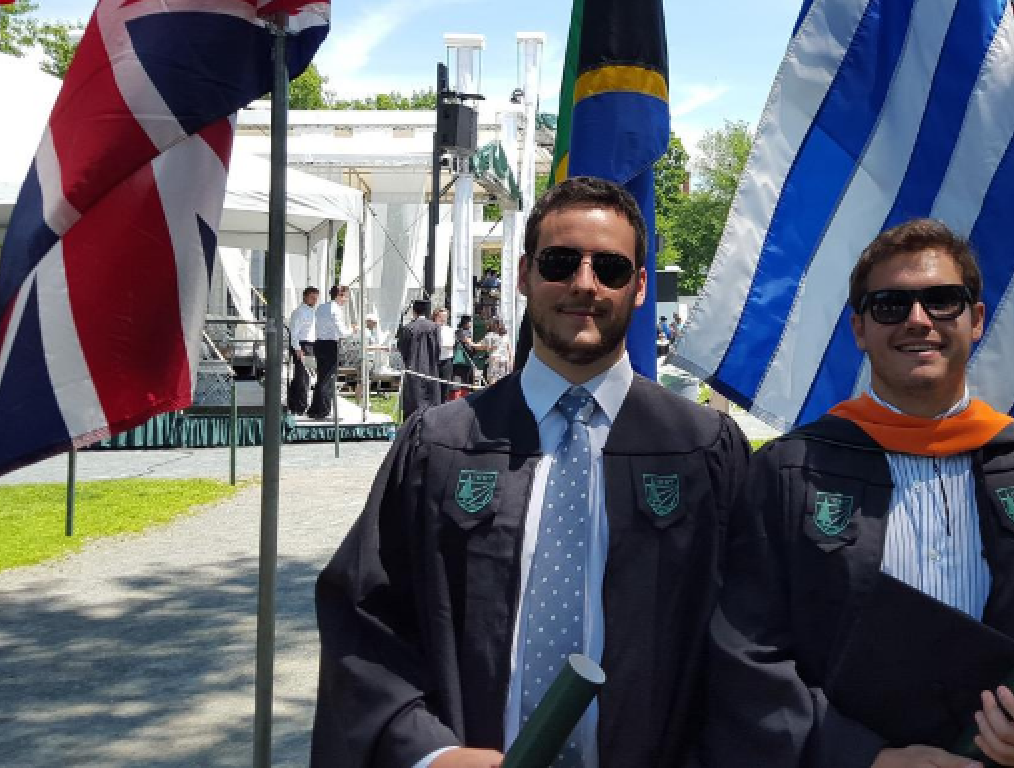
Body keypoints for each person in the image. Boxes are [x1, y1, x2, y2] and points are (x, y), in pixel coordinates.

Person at [314, 177, 751, 768]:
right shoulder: (442, 444)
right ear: (523, 275)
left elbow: (751, 644)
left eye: (612, 269)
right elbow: (366, 619)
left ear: (640, 287)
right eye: (560, 262)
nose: (584, 284)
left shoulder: (702, 451)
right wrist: (430, 754)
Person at [701, 219, 1014, 767]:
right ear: (859, 330)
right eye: (891, 305)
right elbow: (743, 649)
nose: (918, 320)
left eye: (942, 301)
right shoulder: (792, 471)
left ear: (976, 319)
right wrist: (863, 758)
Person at [309, 285, 354, 419]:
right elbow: (342, 332)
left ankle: (315, 408)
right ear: (340, 295)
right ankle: (323, 410)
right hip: (329, 344)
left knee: (321, 377)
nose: (346, 300)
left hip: (319, 343)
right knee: (328, 379)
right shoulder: (336, 310)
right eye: (345, 296)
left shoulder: (321, 307)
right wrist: (353, 330)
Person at [396, 300, 441, 420]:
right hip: (431, 369)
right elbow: (438, 349)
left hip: (414, 369)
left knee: (414, 401)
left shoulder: (409, 328)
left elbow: (402, 349)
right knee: (431, 400)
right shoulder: (434, 327)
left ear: (414, 311)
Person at [287, 286, 319, 415]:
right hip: (302, 345)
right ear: (305, 297)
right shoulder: (299, 312)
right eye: (312, 297)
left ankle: (296, 404)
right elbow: (294, 333)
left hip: (310, 345)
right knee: (302, 377)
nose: (314, 300)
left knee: (304, 376)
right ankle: (299, 406)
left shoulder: (312, 311)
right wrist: (298, 349)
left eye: (316, 298)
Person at [434, 308, 455, 401]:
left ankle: (443, 404)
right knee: (433, 385)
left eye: (445, 316)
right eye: (441, 316)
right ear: (436, 316)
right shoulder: (431, 328)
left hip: (446, 360)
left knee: (445, 386)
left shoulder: (449, 330)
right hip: (434, 360)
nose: (443, 318)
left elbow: (451, 345)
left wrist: (442, 345)